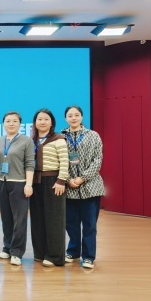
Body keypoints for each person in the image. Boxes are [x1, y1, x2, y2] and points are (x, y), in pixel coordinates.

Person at [62, 105, 105, 269]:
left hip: (90, 187)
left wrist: (82, 178)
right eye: (70, 115)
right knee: (70, 223)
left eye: (76, 115)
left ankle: (88, 256)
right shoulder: (61, 137)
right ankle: (73, 251)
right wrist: (68, 179)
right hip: (69, 188)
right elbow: (59, 161)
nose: (73, 118)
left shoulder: (93, 135)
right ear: (65, 118)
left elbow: (97, 160)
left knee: (89, 224)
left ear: (82, 117)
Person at [0, 111, 35, 266]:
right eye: (8, 121)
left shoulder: (26, 141)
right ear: (3, 123)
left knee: (19, 219)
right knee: (6, 218)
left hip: (19, 183)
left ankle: (17, 252)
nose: (11, 123)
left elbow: (30, 163)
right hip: (1, 182)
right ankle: (7, 248)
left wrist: (28, 184)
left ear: (20, 124)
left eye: (15, 121)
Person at [29, 109, 69, 267]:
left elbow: (64, 162)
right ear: (35, 122)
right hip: (35, 181)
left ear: (52, 122)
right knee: (37, 219)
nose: (42, 122)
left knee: (54, 219)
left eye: (46, 119)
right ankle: (40, 253)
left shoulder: (58, 139)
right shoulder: (32, 140)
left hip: (53, 181)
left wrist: (61, 181)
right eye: (39, 119)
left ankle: (55, 256)